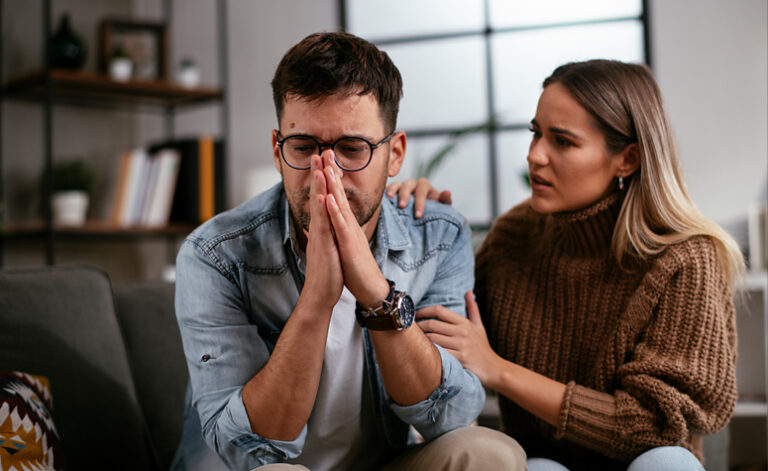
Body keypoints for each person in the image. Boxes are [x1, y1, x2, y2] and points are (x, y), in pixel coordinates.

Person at [172, 31, 525, 471]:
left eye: (352, 149)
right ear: (278, 152)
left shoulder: (437, 236)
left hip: (381, 464)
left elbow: (449, 417)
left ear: (394, 154)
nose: (328, 174)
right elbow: (248, 448)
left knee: (491, 454)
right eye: (304, 148)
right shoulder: (215, 254)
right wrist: (318, 299)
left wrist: (377, 294)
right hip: (262, 468)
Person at [388, 59, 742, 471]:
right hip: (545, 463)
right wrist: (426, 228)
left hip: (649, 461)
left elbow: (656, 425)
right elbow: (441, 339)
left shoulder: (685, 258)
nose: (534, 155)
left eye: (563, 141)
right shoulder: (513, 237)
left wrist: (498, 370)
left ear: (627, 159)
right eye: (535, 133)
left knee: (668, 463)